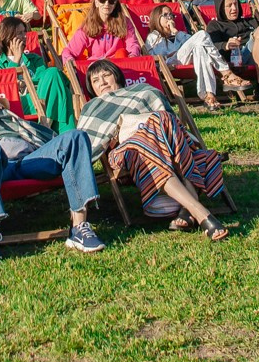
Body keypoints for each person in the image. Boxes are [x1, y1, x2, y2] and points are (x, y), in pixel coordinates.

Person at [78, 60, 228, 237]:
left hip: (166, 142)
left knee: (161, 120)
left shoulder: (143, 90)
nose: (102, 82)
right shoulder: (92, 107)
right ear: (91, 88)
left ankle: (194, 212)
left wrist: (153, 129)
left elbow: (172, 122)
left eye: (106, 75)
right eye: (95, 80)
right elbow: (89, 142)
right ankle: (198, 209)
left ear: (116, 76)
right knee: (150, 134)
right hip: (127, 150)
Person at [0, 86, 103, 261]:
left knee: (76, 137)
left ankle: (79, 227)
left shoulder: (19, 122)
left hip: (30, 161)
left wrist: (12, 120)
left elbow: (52, 139)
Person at [141, 3, 248, 108]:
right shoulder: (153, 37)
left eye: (171, 15)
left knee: (200, 48)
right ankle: (226, 72)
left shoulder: (178, 34)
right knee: (202, 34)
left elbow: (196, 41)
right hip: (168, 63)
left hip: (186, 58)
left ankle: (208, 95)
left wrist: (175, 32)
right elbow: (153, 58)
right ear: (156, 18)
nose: (170, 18)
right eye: (165, 15)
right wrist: (174, 50)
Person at [0, 17, 75, 129]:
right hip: (16, 104)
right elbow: (1, 89)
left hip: (42, 97)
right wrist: (16, 60)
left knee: (53, 73)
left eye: (25, 32)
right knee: (59, 93)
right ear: (7, 37)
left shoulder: (34, 59)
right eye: (19, 33)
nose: (25, 36)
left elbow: (46, 81)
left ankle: (45, 128)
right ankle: (65, 133)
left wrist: (23, 82)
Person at [63, 0, 144, 71]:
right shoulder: (87, 26)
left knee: (123, 53)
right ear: (96, 3)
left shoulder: (124, 22)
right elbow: (70, 51)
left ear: (115, 4)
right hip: (97, 68)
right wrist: (70, 60)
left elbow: (132, 45)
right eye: (102, 0)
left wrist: (133, 58)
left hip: (120, 67)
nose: (107, 4)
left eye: (111, 1)